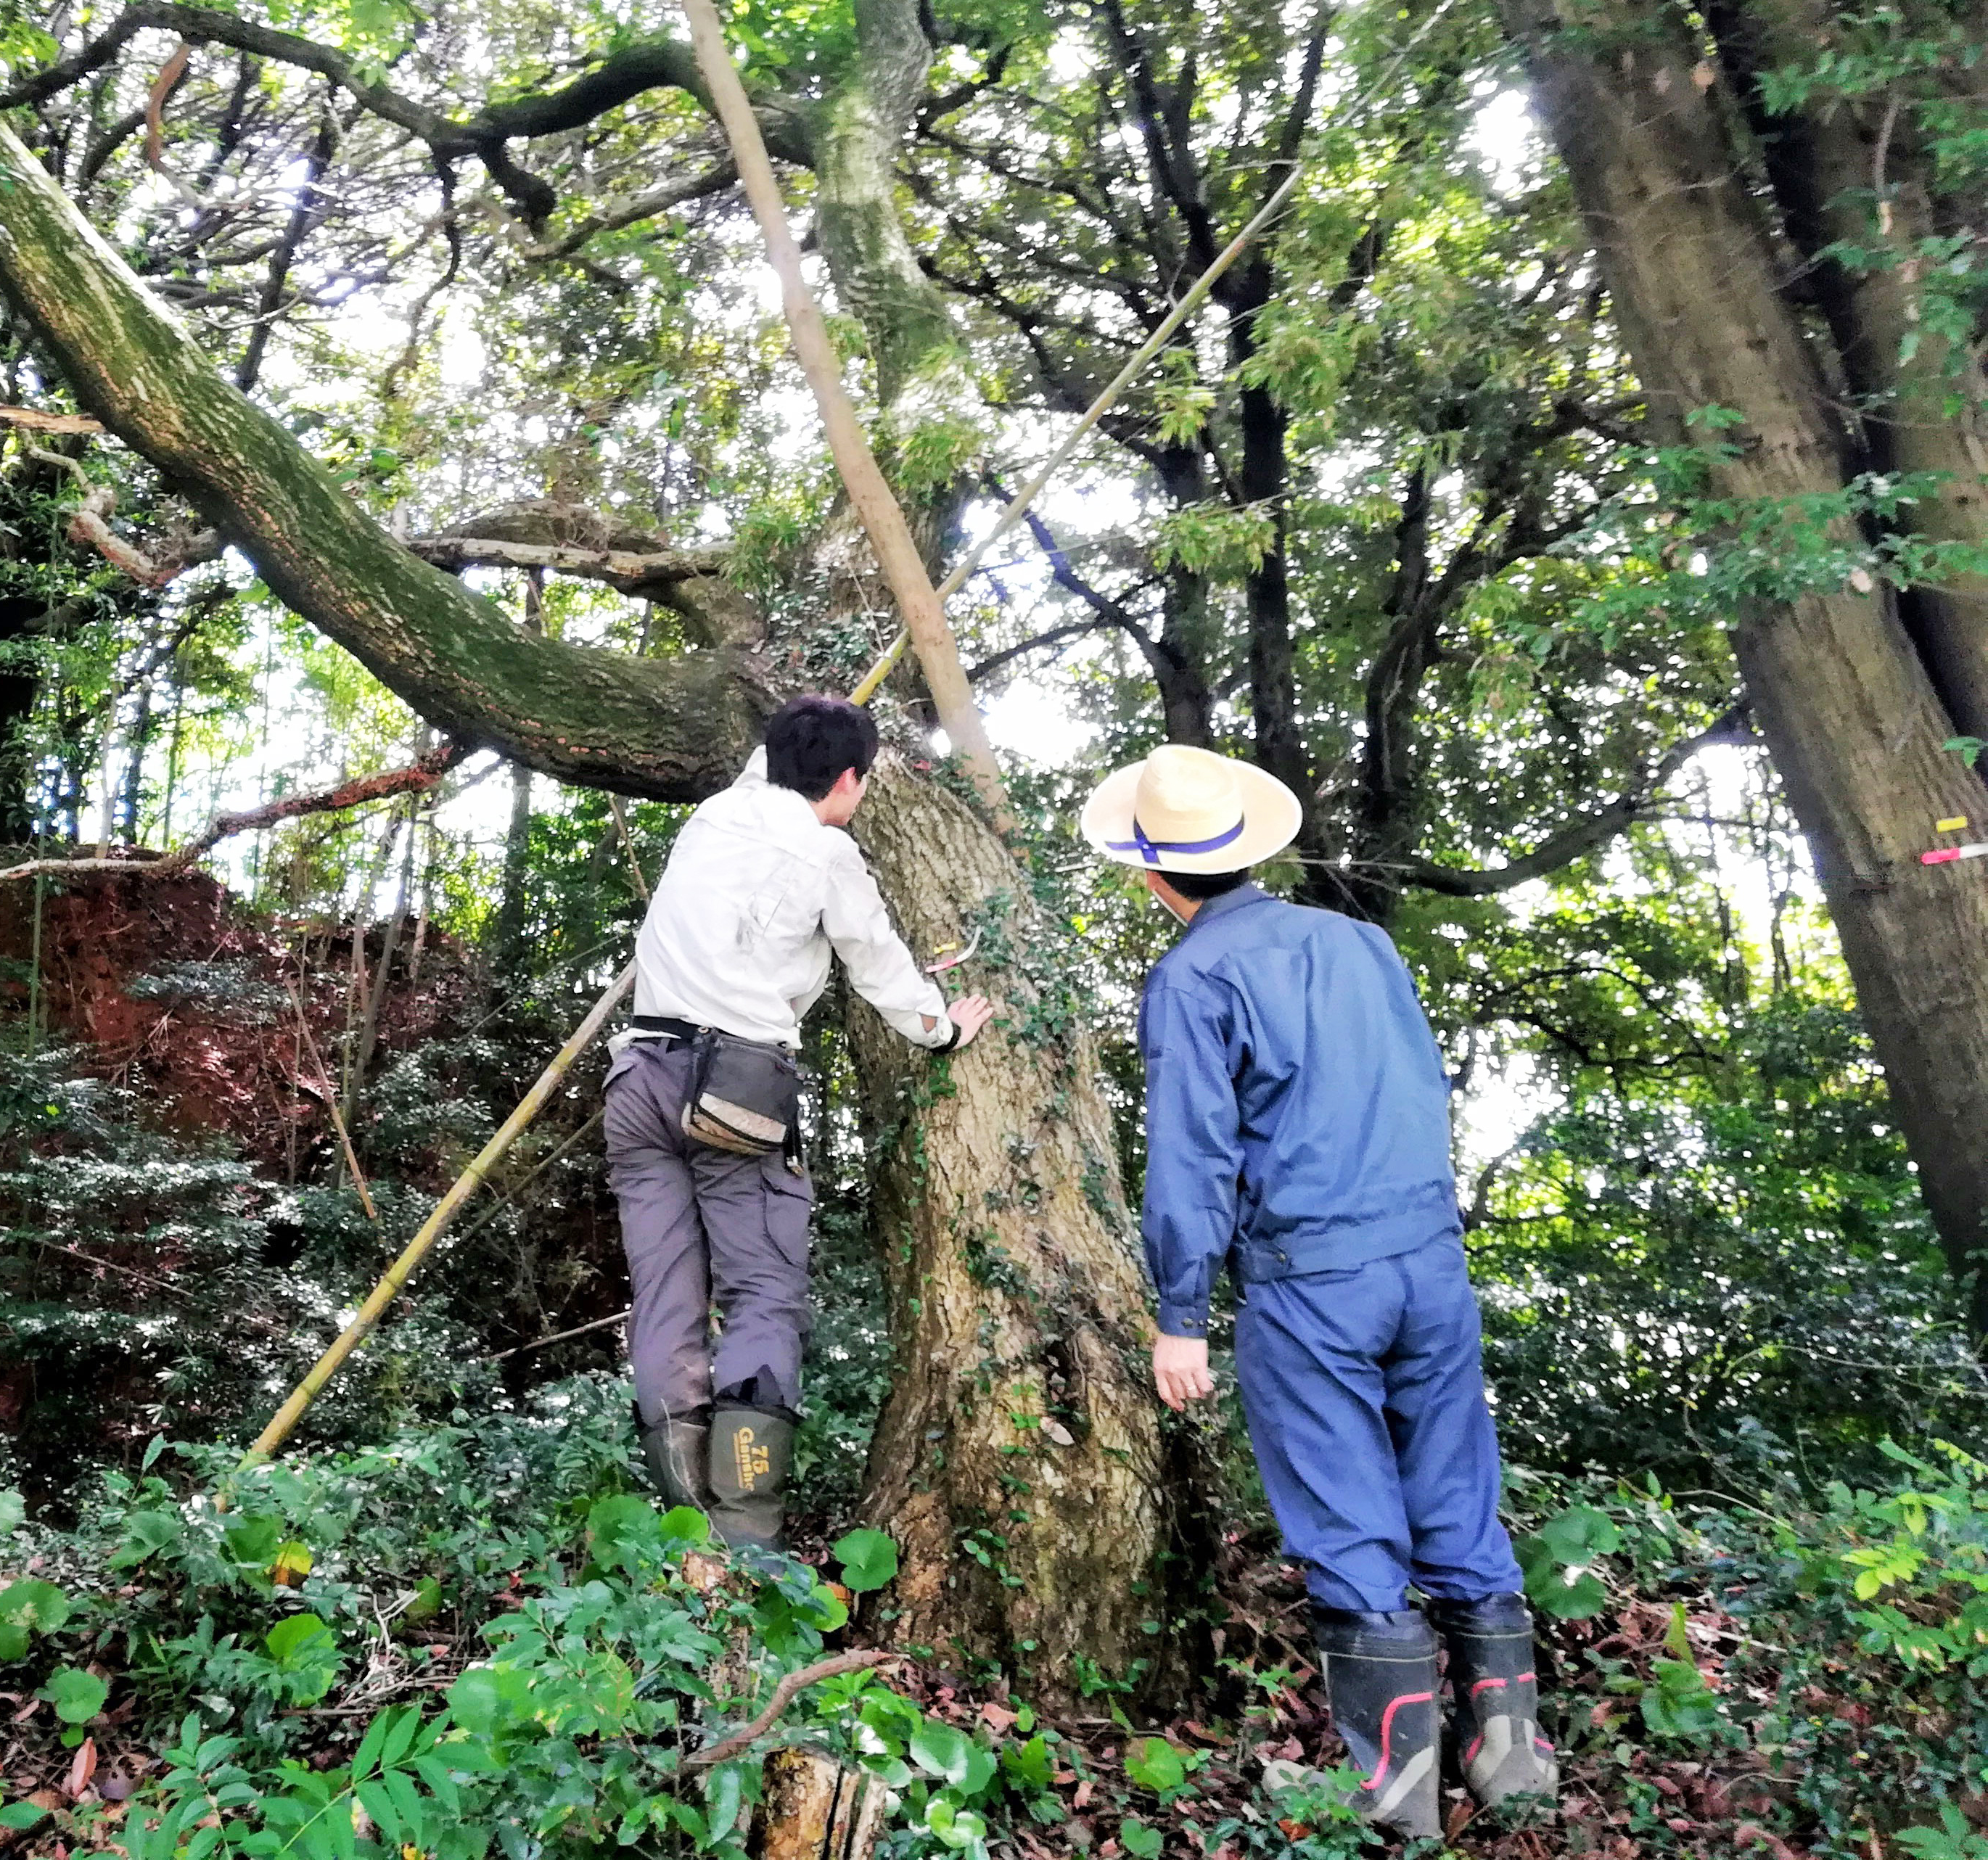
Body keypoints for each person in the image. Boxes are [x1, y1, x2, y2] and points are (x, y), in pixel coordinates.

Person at [1080, 743, 1557, 1838]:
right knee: (1455, 1497)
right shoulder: (1362, 942)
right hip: (1430, 1262)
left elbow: (1192, 1156)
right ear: (1246, 852)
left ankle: (1397, 1791)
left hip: (1313, 1284)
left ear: (1153, 877)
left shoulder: (1193, 977)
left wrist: (1180, 1318)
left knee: (1349, 1520)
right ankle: (1511, 1757)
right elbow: (1420, 1085)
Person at [607, 695, 992, 1552]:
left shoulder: (713, 816)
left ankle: (684, 1527)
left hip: (637, 1076)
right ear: (850, 779)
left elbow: (770, 774)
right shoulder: (827, 852)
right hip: (736, 1084)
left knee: (665, 1293)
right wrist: (940, 1027)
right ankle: (745, 1533)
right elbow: (879, 963)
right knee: (761, 1293)